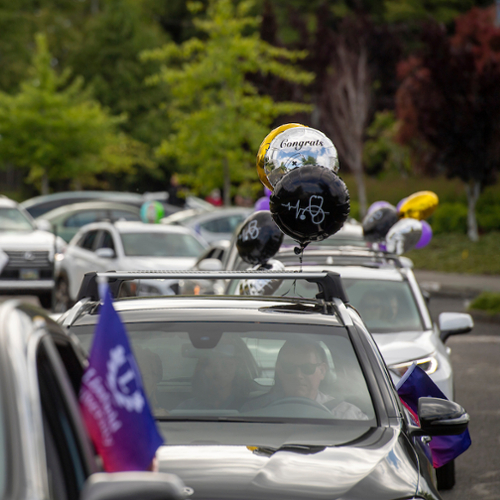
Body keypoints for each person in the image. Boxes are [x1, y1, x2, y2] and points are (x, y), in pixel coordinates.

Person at [241, 339, 368, 420]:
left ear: (322, 371)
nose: (298, 375)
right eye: (289, 367)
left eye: (307, 368)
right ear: (279, 369)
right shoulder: (254, 412)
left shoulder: (348, 416)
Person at [176, 343, 252, 410]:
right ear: (201, 371)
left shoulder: (250, 408)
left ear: (237, 369)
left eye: (225, 364)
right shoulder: (187, 408)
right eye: (212, 365)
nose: (218, 370)